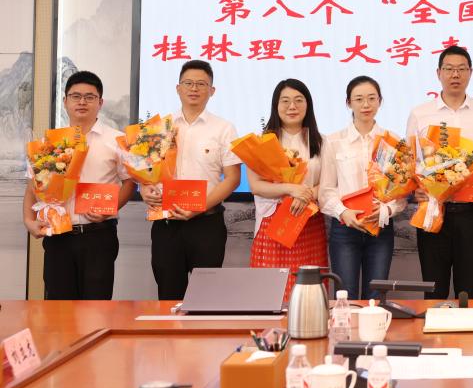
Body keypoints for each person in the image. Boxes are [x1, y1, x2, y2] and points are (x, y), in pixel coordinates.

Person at [22, 71, 135, 300]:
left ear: (100, 102)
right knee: (58, 309)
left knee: (96, 309)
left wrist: (110, 209)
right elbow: (33, 186)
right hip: (58, 236)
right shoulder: (48, 143)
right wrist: (28, 221)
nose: (82, 102)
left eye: (89, 97)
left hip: (98, 236)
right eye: (75, 96)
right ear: (65, 102)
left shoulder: (116, 140)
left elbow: (129, 182)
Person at [140, 60, 241, 301]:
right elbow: (145, 172)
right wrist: (144, 189)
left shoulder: (224, 128)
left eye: (201, 84)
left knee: (205, 300)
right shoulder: (159, 127)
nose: (194, 88)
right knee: (168, 297)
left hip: (206, 224)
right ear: (178, 88)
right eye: (188, 83)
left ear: (212, 90)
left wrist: (199, 207)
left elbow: (233, 179)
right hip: (166, 224)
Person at [406, 45, 473, 300]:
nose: (455, 75)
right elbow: (410, 161)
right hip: (433, 211)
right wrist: (415, 191)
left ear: (470, 73)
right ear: (439, 73)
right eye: (449, 69)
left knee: (469, 291)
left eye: (461, 69)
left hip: (472, 213)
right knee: (434, 292)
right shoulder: (420, 113)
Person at [320, 76, 407, 300]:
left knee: (375, 297)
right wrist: (343, 212)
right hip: (345, 228)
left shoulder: (393, 141)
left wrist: (387, 210)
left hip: (380, 228)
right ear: (348, 103)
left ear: (380, 101)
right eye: (359, 99)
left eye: (371, 98)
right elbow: (326, 190)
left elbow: (401, 191)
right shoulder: (333, 141)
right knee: (345, 296)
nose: (366, 105)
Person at [248, 79, 326, 300]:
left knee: (308, 293)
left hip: (309, 223)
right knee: (269, 294)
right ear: (276, 105)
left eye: (299, 100)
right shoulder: (261, 142)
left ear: (308, 105)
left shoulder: (321, 142)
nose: (292, 106)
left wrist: (306, 195)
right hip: (272, 224)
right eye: (285, 101)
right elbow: (256, 186)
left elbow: (329, 183)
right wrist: (292, 189)